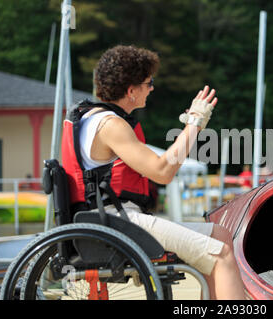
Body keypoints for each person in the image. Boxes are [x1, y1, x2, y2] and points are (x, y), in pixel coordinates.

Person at [62, 45, 245, 299]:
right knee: (222, 254)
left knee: (221, 236)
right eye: (149, 82)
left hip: (111, 216)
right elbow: (163, 172)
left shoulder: (95, 118)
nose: (152, 88)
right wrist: (195, 123)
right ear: (131, 91)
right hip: (114, 222)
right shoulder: (110, 125)